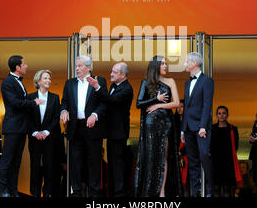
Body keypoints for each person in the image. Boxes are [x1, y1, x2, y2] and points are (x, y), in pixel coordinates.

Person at [133, 55, 181, 197]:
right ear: (155, 66)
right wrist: (155, 99)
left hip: (166, 123)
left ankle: (162, 191)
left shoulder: (170, 81)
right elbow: (139, 103)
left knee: (163, 157)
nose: (166, 66)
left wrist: (159, 104)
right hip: (151, 123)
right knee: (151, 156)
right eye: (163, 64)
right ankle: (149, 190)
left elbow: (177, 103)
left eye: (166, 63)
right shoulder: (146, 82)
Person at [60, 55, 107, 197]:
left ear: (89, 67)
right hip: (75, 128)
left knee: (94, 162)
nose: (77, 68)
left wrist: (95, 115)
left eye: (80, 66)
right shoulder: (70, 83)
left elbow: (104, 103)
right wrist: (64, 111)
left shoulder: (99, 81)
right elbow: (64, 102)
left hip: (93, 128)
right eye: (76, 66)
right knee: (75, 161)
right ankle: (76, 192)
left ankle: (94, 194)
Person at [0, 55, 44, 197]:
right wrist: (33, 102)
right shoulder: (7, 82)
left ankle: (13, 191)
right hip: (12, 128)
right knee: (7, 161)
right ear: (17, 67)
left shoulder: (18, 82)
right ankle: (4, 191)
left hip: (21, 128)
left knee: (16, 162)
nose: (26, 66)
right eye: (24, 64)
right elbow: (15, 103)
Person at [87, 62, 133, 198]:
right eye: (112, 71)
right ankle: (112, 192)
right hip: (111, 131)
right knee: (112, 163)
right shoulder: (114, 85)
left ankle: (119, 194)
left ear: (123, 75)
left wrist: (97, 87)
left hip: (119, 132)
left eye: (115, 72)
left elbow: (111, 101)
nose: (111, 74)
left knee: (118, 164)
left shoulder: (127, 88)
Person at [181, 52, 214, 197]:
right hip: (188, 127)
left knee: (204, 155)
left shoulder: (207, 81)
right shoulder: (187, 83)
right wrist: (183, 130)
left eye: (187, 61)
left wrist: (202, 126)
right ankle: (196, 192)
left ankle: (209, 190)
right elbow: (186, 108)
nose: (185, 64)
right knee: (192, 160)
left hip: (201, 126)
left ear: (194, 63)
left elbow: (207, 105)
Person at [27, 69, 61, 197]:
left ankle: (47, 194)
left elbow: (56, 117)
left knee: (49, 169)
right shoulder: (30, 97)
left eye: (49, 78)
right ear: (38, 81)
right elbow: (27, 117)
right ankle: (35, 194)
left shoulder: (55, 98)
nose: (49, 81)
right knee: (35, 168)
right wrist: (35, 132)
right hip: (34, 139)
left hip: (50, 139)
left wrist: (46, 132)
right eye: (45, 78)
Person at [211, 105, 241, 197]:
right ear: (216, 115)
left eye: (224, 113)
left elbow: (236, 146)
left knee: (227, 188)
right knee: (215, 188)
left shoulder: (233, 128)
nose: (221, 115)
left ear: (227, 115)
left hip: (228, 163)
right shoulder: (212, 128)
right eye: (219, 113)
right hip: (215, 162)